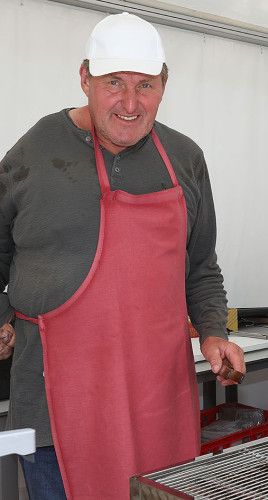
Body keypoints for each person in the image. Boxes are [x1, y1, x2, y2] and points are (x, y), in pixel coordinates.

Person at [0, 12, 245, 499]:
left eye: (146, 86)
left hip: (157, 393)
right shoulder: (35, 150)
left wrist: (214, 330)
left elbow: (200, 265)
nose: (130, 103)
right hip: (57, 396)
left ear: (165, 82)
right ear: (85, 77)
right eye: (114, 83)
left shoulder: (185, 158)